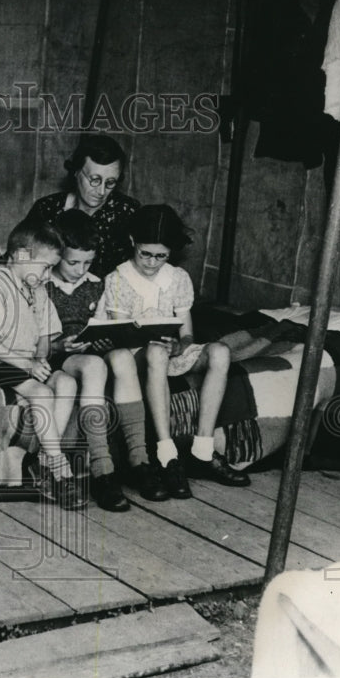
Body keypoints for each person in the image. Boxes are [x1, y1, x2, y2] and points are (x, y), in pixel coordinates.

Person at [98, 204, 251, 501]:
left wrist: (181, 344)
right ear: (132, 241)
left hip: (169, 352)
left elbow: (188, 332)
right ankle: (167, 456)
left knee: (220, 351)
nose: (152, 262)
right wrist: (155, 344)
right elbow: (121, 335)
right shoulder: (118, 279)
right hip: (137, 355)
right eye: (145, 254)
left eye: (161, 256)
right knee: (155, 353)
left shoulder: (178, 278)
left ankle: (203, 451)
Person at [0, 219, 85, 510]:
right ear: (20, 257)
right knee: (42, 393)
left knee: (67, 382)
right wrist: (27, 364)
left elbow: (44, 338)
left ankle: (43, 459)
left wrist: (42, 356)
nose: (47, 275)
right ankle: (59, 470)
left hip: (25, 362)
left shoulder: (38, 290)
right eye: (44, 267)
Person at [43, 210, 129, 512]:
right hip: (52, 359)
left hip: (86, 355)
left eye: (88, 262)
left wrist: (104, 338)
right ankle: (102, 469)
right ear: (56, 255)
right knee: (94, 366)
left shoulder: (97, 284)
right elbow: (29, 339)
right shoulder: (42, 285)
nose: (81, 270)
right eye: (73, 262)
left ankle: (102, 470)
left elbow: (102, 323)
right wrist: (57, 344)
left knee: (97, 363)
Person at [24, 133, 139, 278]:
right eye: (95, 179)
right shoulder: (47, 208)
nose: (102, 191)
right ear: (76, 171)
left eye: (110, 182)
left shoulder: (128, 211)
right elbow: (21, 253)